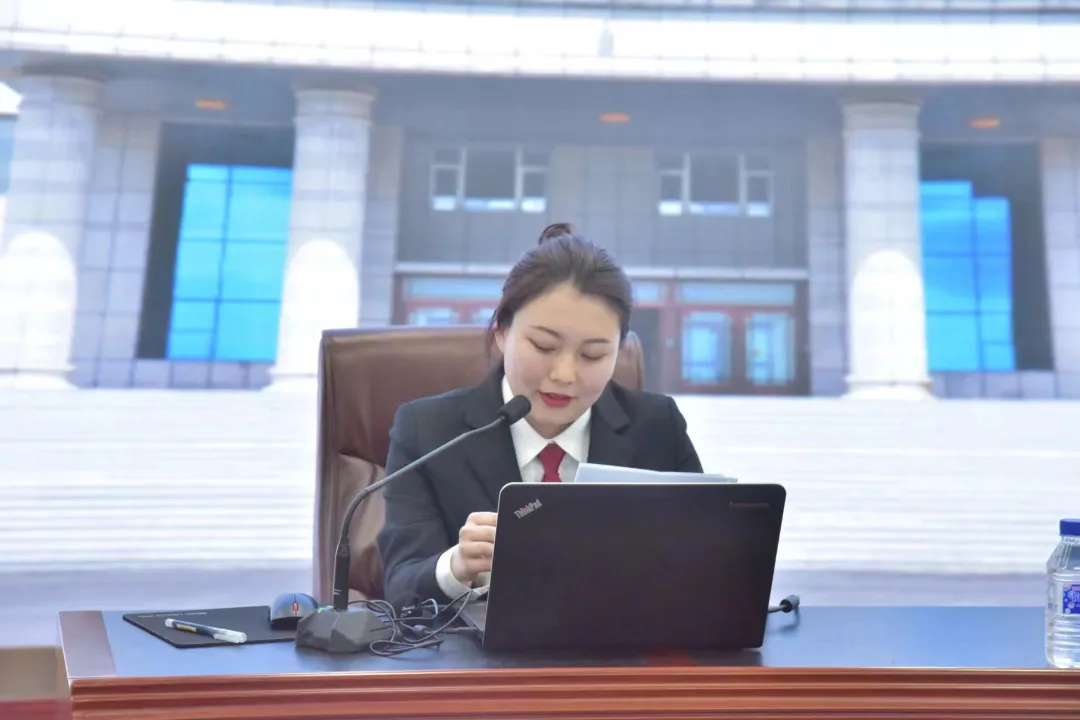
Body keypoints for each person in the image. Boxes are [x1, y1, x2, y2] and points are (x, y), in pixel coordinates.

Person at [376, 223, 704, 605]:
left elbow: (707, 560)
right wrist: (457, 567)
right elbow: (400, 584)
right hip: (482, 643)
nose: (564, 374)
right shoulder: (429, 432)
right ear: (501, 332)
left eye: (593, 355)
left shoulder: (657, 426)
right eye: (544, 346)